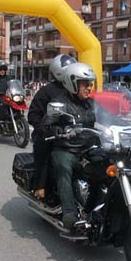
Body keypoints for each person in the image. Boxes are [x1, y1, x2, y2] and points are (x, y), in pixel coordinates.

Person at [46, 62, 97, 230]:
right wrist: (59, 130)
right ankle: (70, 213)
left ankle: (97, 206)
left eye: (90, 83)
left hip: (87, 148)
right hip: (66, 148)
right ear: (72, 83)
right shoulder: (60, 102)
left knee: (110, 167)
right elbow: (46, 124)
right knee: (63, 167)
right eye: (85, 84)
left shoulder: (91, 103)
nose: (89, 88)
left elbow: (105, 118)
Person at [28, 54, 77, 199]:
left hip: (73, 134)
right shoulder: (46, 91)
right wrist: (44, 128)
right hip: (50, 135)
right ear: (59, 71)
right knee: (44, 150)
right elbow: (33, 114)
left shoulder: (74, 90)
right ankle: (40, 186)